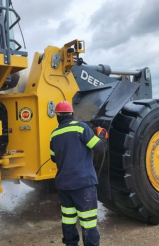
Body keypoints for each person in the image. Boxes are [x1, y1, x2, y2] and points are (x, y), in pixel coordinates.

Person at [50, 101, 108, 246]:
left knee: (68, 219)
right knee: (88, 221)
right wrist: (101, 136)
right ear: (71, 113)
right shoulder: (81, 128)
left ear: (57, 115)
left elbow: (53, 158)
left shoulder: (54, 134)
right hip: (83, 184)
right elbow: (99, 148)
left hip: (63, 185)